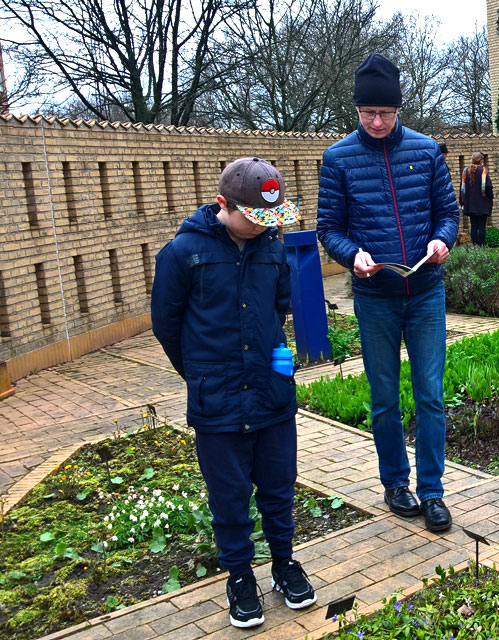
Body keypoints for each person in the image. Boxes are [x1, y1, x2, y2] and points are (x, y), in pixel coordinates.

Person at [151, 158, 315, 629]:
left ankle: (284, 564)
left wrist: (275, 355)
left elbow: (280, 305)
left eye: (273, 218)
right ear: (224, 204)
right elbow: (166, 324)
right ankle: (240, 577)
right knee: (229, 495)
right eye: (256, 217)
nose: (266, 227)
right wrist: (199, 374)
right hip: (217, 399)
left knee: (279, 486)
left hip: (270, 393)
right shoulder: (183, 253)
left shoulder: (271, 246)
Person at [316, 53, 459, 533]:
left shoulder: (426, 151)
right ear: (356, 110)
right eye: (368, 114)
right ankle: (396, 483)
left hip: (424, 293)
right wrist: (351, 254)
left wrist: (443, 239)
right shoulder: (337, 159)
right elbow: (329, 228)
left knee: (431, 395)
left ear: (400, 109)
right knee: (383, 397)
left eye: (386, 113)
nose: (377, 122)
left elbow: (448, 214)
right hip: (374, 295)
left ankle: (433, 492)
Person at [460, 152, 493, 246]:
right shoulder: (483, 171)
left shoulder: (466, 171)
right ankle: (481, 246)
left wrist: (462, 201)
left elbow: (462, 188)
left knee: (473, 226)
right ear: (481, 161)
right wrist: (490, 198)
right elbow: (488, 187)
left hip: (470, 204)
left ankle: (475, 246)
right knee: (482, 226)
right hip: (482, 203)